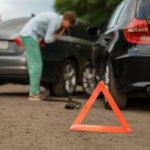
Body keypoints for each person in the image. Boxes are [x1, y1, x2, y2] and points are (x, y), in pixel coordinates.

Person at [19, 11, 76, 101]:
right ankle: (33, 93)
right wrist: (57, 36)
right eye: (69, 24)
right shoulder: (57, 21)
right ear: (67, 20)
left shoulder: (55, 17)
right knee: (36, 65)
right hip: (30, 36)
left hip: (27, 35)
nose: (68, 26)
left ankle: (35, 91)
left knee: (33, 64)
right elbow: (48, 39)